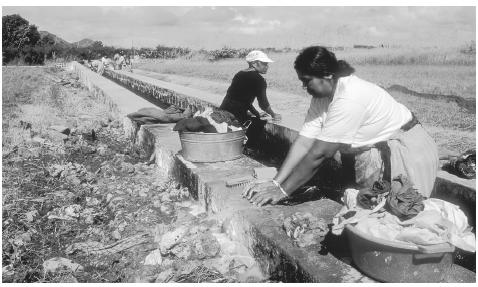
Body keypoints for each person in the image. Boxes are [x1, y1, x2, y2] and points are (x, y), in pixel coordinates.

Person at [243, 46, 439, 206]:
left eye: (307, 81)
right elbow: (303, 144)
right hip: (372, 151)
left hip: (405, 151)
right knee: (369, 207)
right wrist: (276, 182)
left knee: (403, 210)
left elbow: (319, 154)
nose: (305, 87)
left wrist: (283, 191)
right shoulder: (321, 97)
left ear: (327, 75)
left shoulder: (349, 96)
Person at [220, 50, 281, 147]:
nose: (267, 66)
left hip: (223, 110)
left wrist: (256, 113)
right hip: (235, 116)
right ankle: (249, 148)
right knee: (259, 123)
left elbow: (241, 99)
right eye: (264, 63)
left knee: (255, 118)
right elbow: (263, 103)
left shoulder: (239, 74)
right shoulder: (259, 80)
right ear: (255, 63)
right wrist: (273, 114)